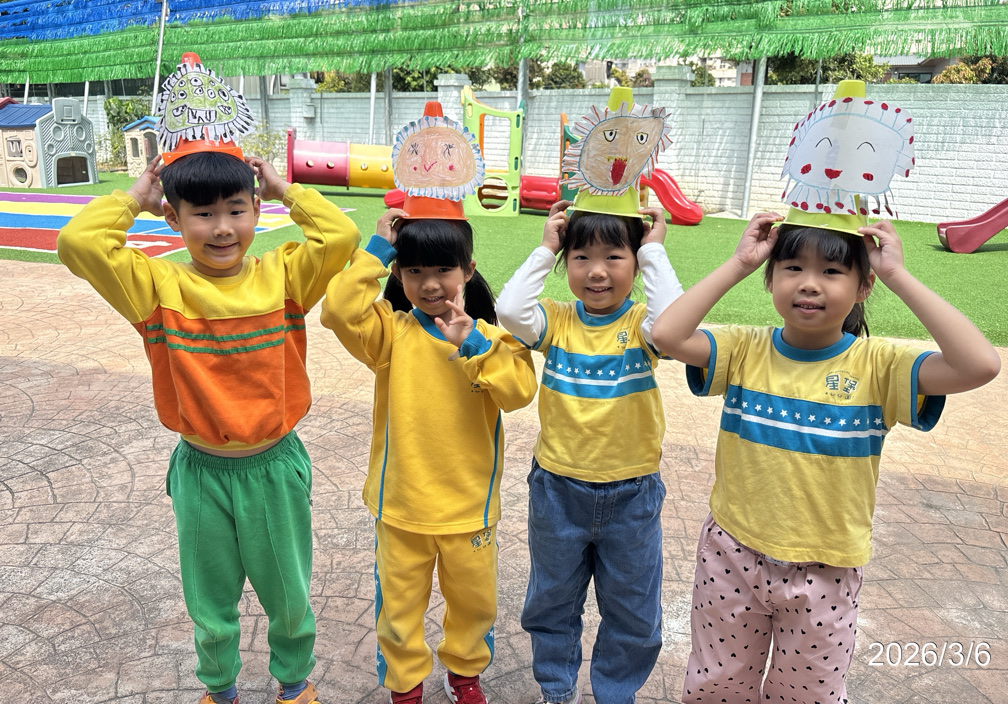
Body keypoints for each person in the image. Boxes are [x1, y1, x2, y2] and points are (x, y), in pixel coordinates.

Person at [650, 212, 1001, 703]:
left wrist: (897, 275)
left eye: (832, 271)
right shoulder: (743, 349)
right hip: (732, 555)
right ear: (770, 278)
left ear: (863, 286)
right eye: (792, 267)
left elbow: (980, 364)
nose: (809, 283)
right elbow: (666, 335)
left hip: (826, 570)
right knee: (716, 687)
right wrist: (739, 263)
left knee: (806, 695)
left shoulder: (878, 366)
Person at [57, 151, 360, 704]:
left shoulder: (284, 277)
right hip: (200, 471)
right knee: (208, 597)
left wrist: (285, 190)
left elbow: (340, 236)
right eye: (203, 213)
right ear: (173, 217)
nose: (222, 228)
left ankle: (294, 685)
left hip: (273, 468)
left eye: (236, 210)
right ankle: (220, 691)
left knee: (288, 591)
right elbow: (78, 244)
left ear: (256, 211)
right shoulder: (155, 287)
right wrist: (134, 197)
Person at [320, 207, 537, 704]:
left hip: (469, 510)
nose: (430, 283)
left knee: (474, 605)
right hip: (401, 508)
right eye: (414, 270)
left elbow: (519, 392)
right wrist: (378, 250)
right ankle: (405, 685)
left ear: (469, 270)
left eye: (443, 269)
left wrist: (472, 342)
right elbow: (337, 310)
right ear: (398, 273)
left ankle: (464, 674)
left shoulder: (494, 339)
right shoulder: (391, 333)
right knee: (398, 611)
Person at [495, 199, 683, 704]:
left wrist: (655, 252)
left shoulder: (643, 325)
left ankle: (615, 694)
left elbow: (675, 326)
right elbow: (510, 311)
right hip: (558, 490)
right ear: (566, 262)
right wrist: (545, 248)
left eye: (614, 257)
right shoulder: (556, 320)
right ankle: (557, 691)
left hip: (632, 495)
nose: (597, 272)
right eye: (581, 258)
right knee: (551, 601)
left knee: (634, 611)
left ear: (635, 264)